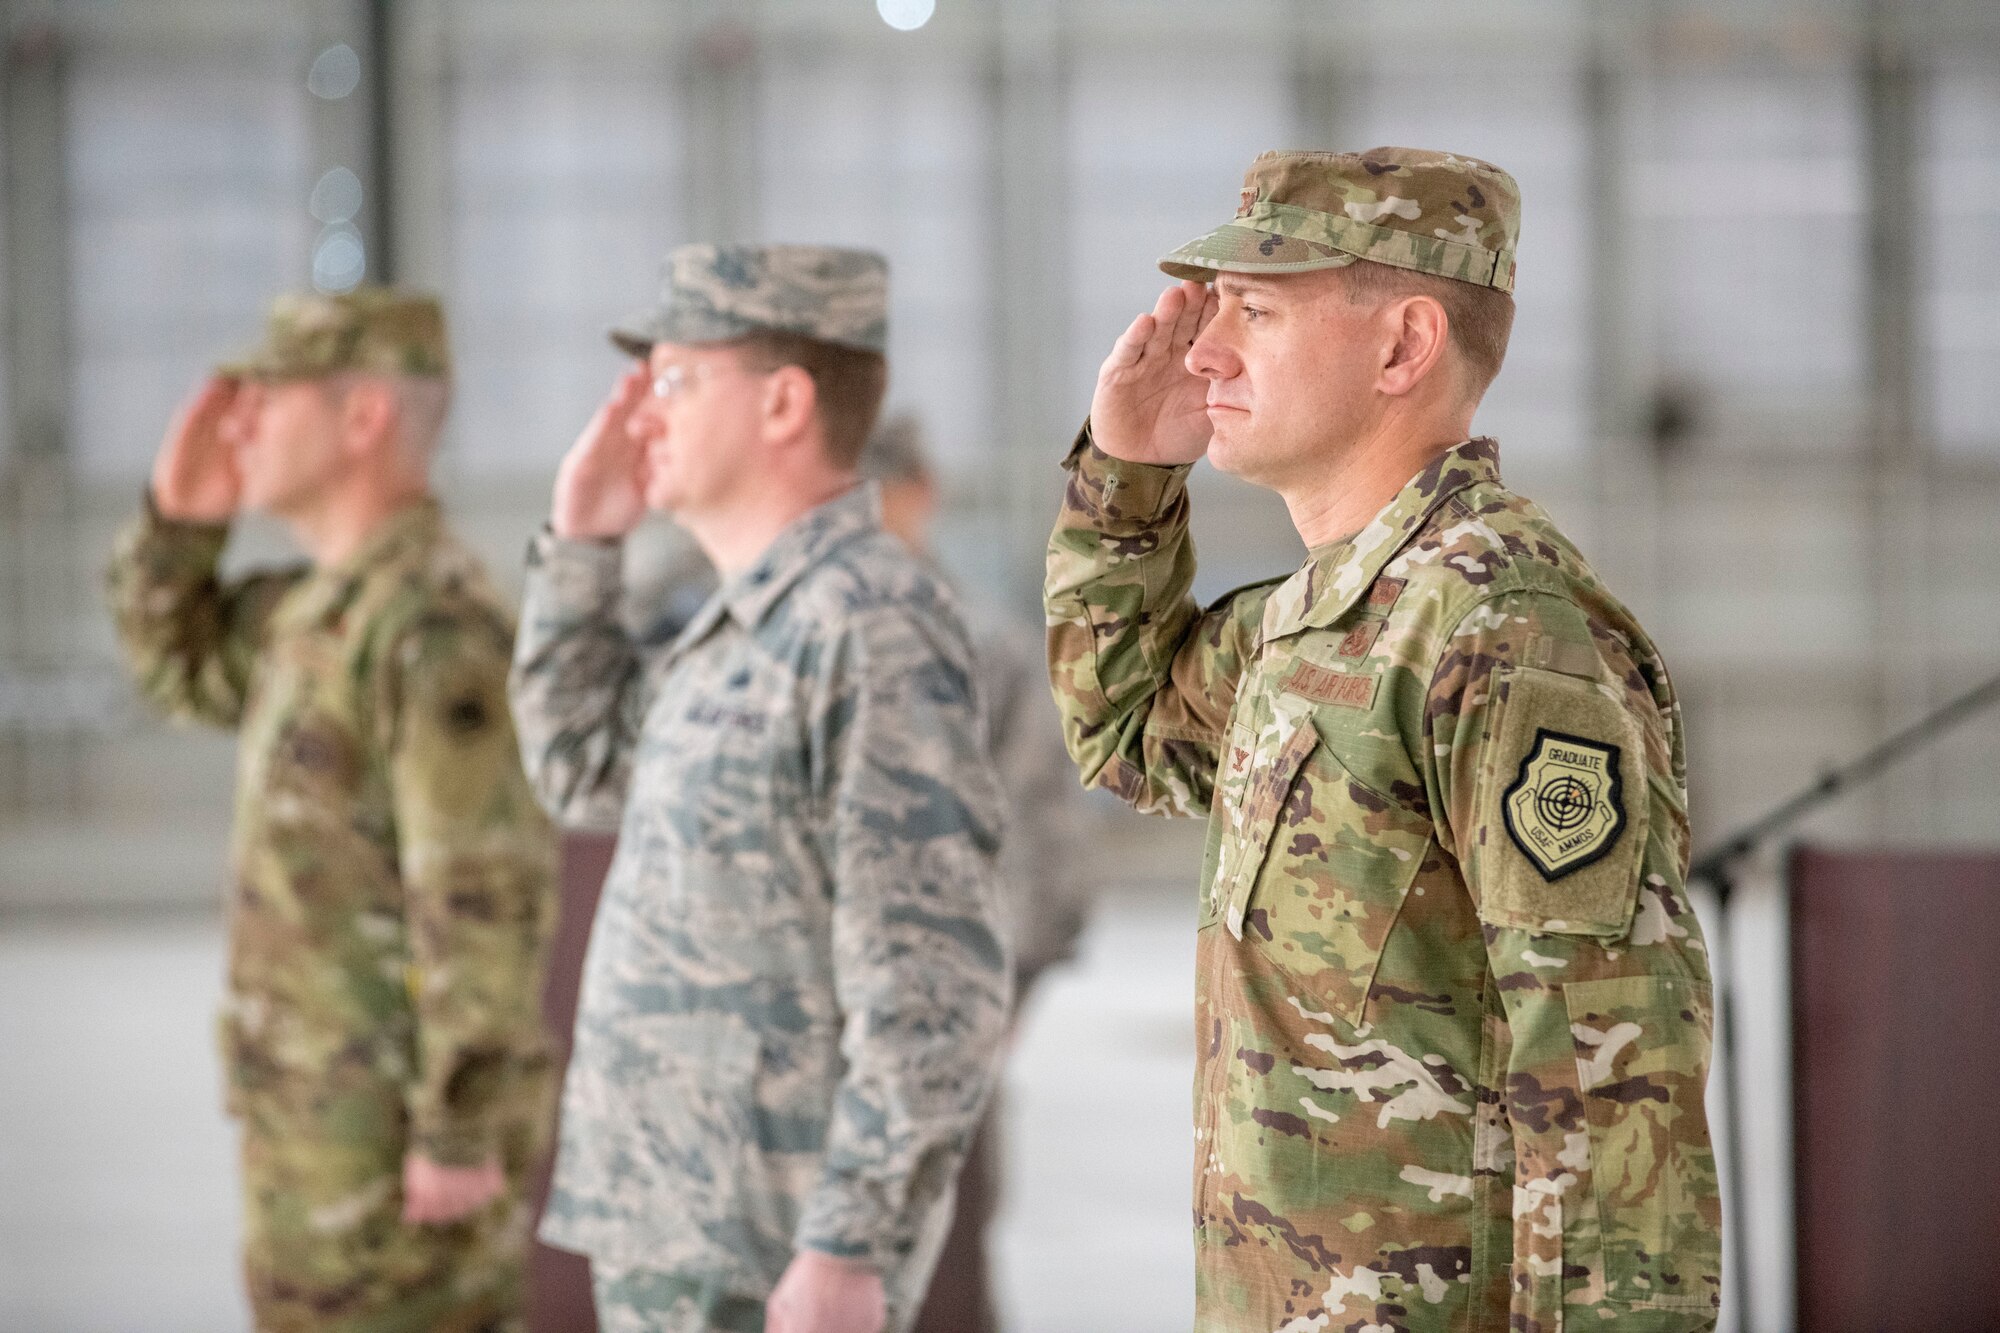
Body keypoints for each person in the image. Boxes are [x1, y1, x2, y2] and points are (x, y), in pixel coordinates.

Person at [1045, 147, 1722, 1330]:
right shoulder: (1322, 615)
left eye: (1253, 311)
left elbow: (1607, 1082)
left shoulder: (1498, 631)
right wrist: (1127, 481)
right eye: (1212, 310)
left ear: (1403, 347)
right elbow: (1128, 730)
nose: (1203, 349)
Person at [510, 245, 1012, 1333]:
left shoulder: (867, 623)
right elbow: (575, 769)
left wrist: (848, 1245)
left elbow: (933, 979)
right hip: (675, 1223)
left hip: (772, 1244)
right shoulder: (741, 620)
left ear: (784, 402)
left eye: (675, 380)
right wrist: (583, 546)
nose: (642, 414)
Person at [104, 287, 558, 1331]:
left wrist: (460, 1127)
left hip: (395, 1165)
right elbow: (174, 667)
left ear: (362, 420)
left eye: (269, 398)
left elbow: (484, 892)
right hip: (315, 1142)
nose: (239, 423)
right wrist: (178, 525)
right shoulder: (314, 611)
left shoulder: (431, 624)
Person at [850, 415, 1094, 1333]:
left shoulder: (975, 643)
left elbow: (1041, 833)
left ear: (921, 491)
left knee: (939, 1274)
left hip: (936, 1027)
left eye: (876, 492)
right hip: (812, 1038)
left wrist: (1010, 994)